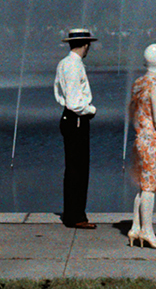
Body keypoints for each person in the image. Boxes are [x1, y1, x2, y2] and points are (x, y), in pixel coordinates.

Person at [128, 43, 156, 249]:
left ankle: (136, 227)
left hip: (140, 138)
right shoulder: (155, 86)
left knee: (142, 185)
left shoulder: (139, 83)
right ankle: (147, 230)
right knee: (149, 188)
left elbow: (135, 114)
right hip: (153, 140)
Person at [54, 28, 98, 229]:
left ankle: (72, 213)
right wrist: (90, 109)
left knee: (73, 168)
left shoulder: (65, 63)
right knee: (78, 169)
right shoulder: (73, 65)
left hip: (69, 117)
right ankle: (76, 215)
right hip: (77, 118)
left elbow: (60, 93)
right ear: (86, 44)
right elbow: (73, 102)